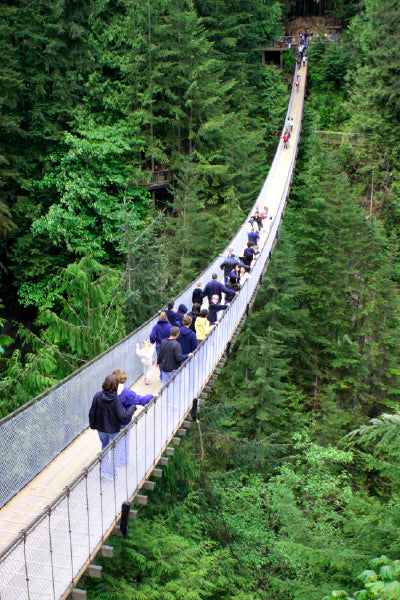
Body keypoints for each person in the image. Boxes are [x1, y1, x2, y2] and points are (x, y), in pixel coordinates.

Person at [88, 374, 137, 477]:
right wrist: (133, 407)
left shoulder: (97, 396)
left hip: (101, 428)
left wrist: (93, 425)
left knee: (104, 446)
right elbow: (123, 416)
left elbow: (92, 412)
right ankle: (112, 473)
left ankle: (103, 470)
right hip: (113, 429)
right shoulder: (116, 400)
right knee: (114, 449)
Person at [112, 369, 155, 465]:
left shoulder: (108, 390)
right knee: (124, 441)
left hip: (111, 422)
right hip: (124, 421)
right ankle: (122, 462)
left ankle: (115, 462)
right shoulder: (126, 392)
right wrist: (151, 396)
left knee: (114, 442)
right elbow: (139, 400)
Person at [149, 311, 172, 377]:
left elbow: (151, 336)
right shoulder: (170, 326)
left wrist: (153, 341)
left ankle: (162, 375)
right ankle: (167, 374)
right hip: (168, 344)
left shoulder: (156, 327)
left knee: (160, 360)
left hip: (159, 345)